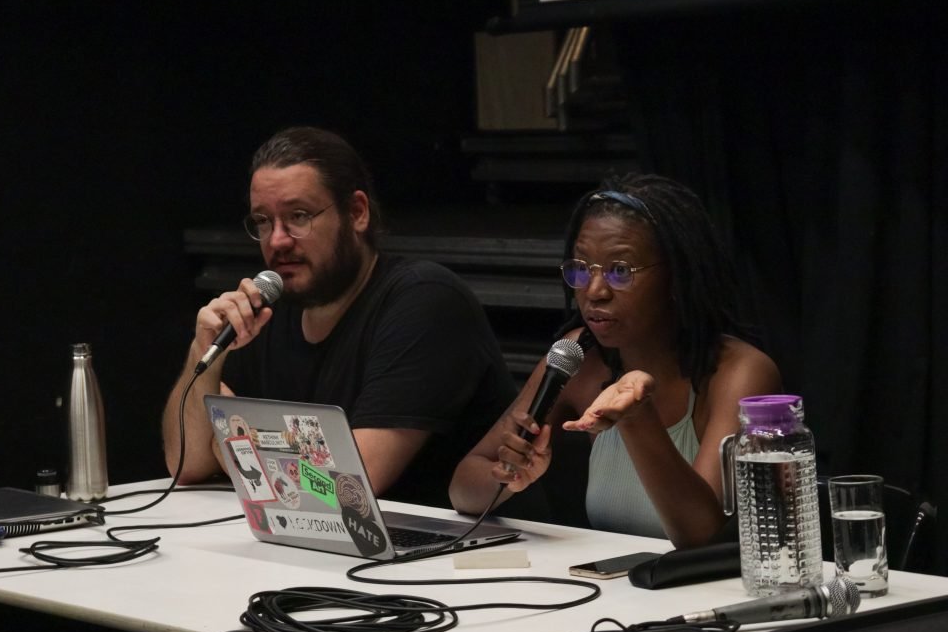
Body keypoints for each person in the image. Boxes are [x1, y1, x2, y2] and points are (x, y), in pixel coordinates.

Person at [162, 126, 517, 509]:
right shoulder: (266, 307)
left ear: (357, 213)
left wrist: (228, 441)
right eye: (263, 221)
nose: (277, 240)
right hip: (327, 550)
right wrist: (205, 351)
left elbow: (350, 485)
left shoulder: (424, 300)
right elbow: (186, 463)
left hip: (452, 555)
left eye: (298, 216)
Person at [449, 174, 782, 548]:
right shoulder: (579, 357)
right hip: (617, 591)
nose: (594, 291)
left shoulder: (738, 373)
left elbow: (700, 535)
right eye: (581, 268)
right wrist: (508, 473)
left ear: (677, 275)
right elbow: (462, 488)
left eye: (620, 271)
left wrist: (637, 417)